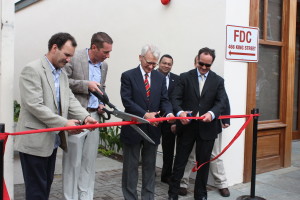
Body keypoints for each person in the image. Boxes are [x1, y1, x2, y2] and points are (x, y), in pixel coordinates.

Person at [14, 32, 97, 200]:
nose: (68, 60)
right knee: (36, 191)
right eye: (66, 55)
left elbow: (70, 100)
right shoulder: (32, 69)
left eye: (71, 56)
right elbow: (35, 106)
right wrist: (64, 123)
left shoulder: (62, 74)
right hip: (34, 142)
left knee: (45, 188)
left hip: (51, 141)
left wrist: (85, 117)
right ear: (54, 48)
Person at [168, 47, 228, 200]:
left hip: (207, 128)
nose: (203, 68)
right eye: (201, 64)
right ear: (197, 60)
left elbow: (221, 102)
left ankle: (200, 195)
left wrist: (212, 114)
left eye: (207, 65)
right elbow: (175, 98)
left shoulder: (218, 80)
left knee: (203, 164)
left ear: (211, 64)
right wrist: (179, 112)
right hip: (187, 127)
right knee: (180, 161)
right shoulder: (184, 77)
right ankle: (173, 193)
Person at [120, 44, 175, 200]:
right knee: (130, 167)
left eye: (154, 63)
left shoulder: (160, 77)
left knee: (150, 167)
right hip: (133, 128)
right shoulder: (128, 76)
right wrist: (145, 115)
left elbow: (164, 99)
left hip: (153, 129)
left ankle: (148, 197)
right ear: (140, 57)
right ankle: (130, 197)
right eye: (148, 62)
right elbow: (127, 101)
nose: (151, 66)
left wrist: (169, 113)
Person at [63, 32, 113, 200]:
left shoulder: (104, 66)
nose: (108, 56)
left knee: (89, 162)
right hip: (76, 118)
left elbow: (101, 87)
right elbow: (63, 83)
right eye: (105, 52)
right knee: (72, 163)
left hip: (95, 118)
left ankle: (86, 196)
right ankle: (70, 197)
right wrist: (86, 85)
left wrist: (101, 104)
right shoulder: (74, 58)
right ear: (94, 47)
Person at [157, 54, 180, 184]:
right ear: (159, 63)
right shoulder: (151, 76)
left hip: (169, 120)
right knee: (150, 147)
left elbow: (177, 99)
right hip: (154, 118)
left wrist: (175, 119)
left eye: (169, 64)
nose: (166, 65)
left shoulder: (177, 79)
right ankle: (148, 171)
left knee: (169, 149)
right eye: (164, 63)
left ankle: (166, 175)